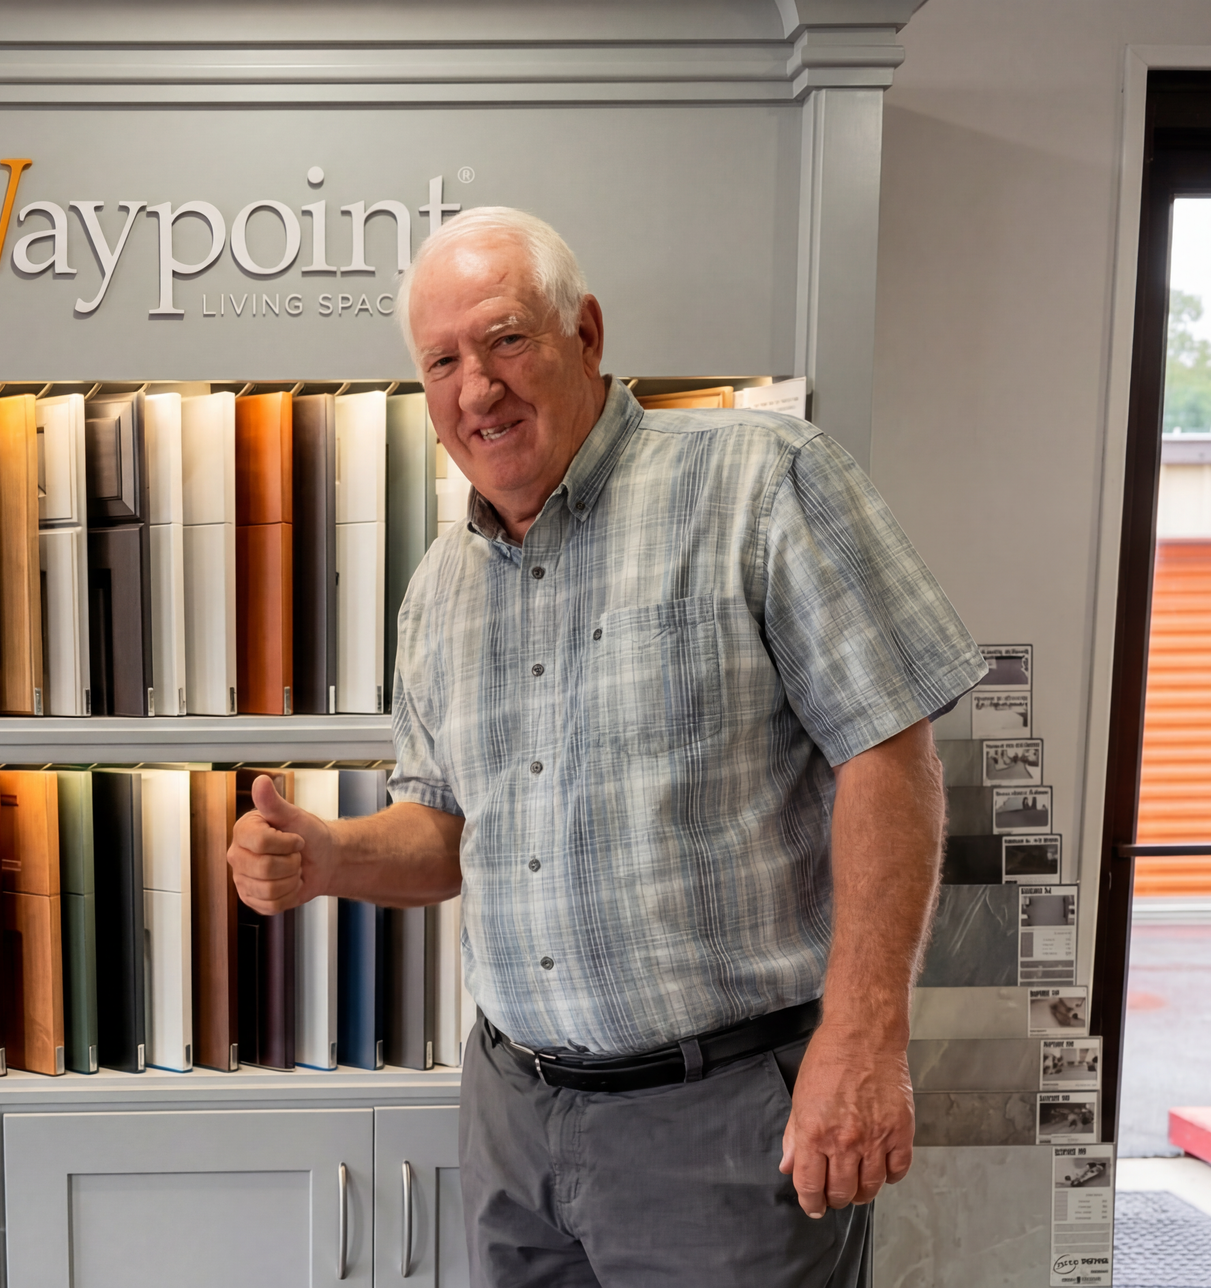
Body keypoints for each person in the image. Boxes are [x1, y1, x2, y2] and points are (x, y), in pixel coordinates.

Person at [227, 207, 986, 1285]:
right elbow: (448, 830)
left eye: (505, 340)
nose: (475, 387)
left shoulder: (761, 481)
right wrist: (328, 856)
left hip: (721, 1127)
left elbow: (888, 751)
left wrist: (864, 1041)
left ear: (586, 333)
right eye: (441, 361)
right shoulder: (438, 590)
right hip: (514, 1117)